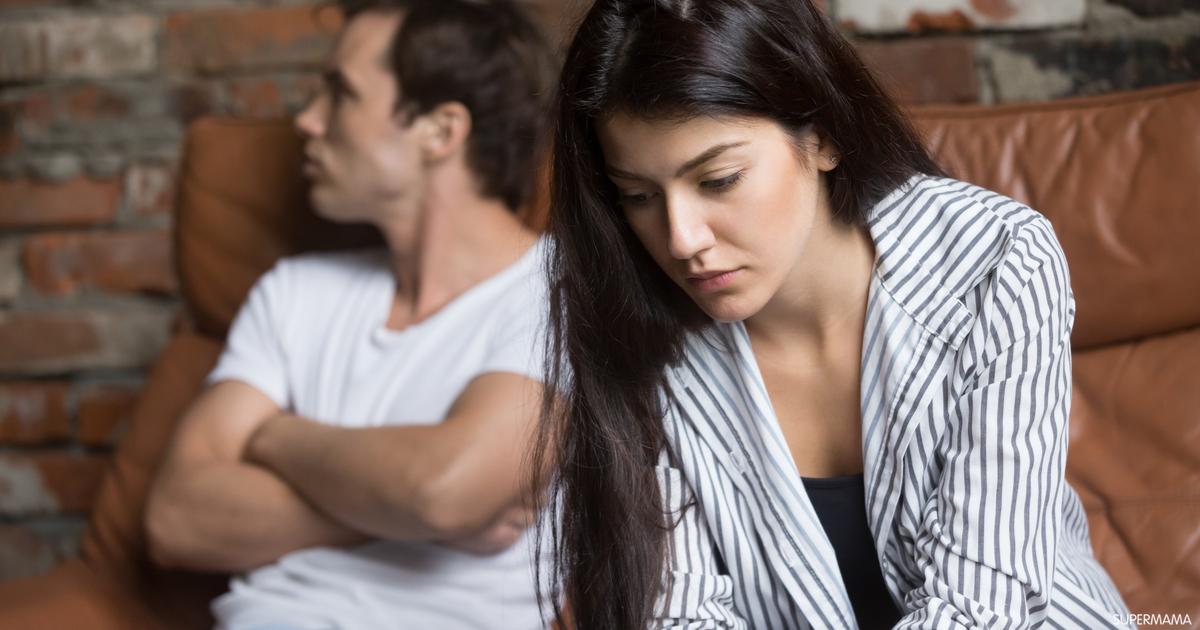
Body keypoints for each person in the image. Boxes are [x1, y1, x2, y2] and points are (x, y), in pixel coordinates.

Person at [531, 0, 1134, 628]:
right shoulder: (635, 324)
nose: (681, 239)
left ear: (822, 136)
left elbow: (981, 607)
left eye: (719, 180)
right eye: (638, 195)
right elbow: (680, 616)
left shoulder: (993, 260)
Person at [144, 1, 554, 628]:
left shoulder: (562, 296)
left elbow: (441, 492)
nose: (307, 120)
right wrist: (407, 514)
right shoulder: (293, 291)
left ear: (440, 131)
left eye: (341, 93)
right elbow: (174, 519)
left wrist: (273, 435)